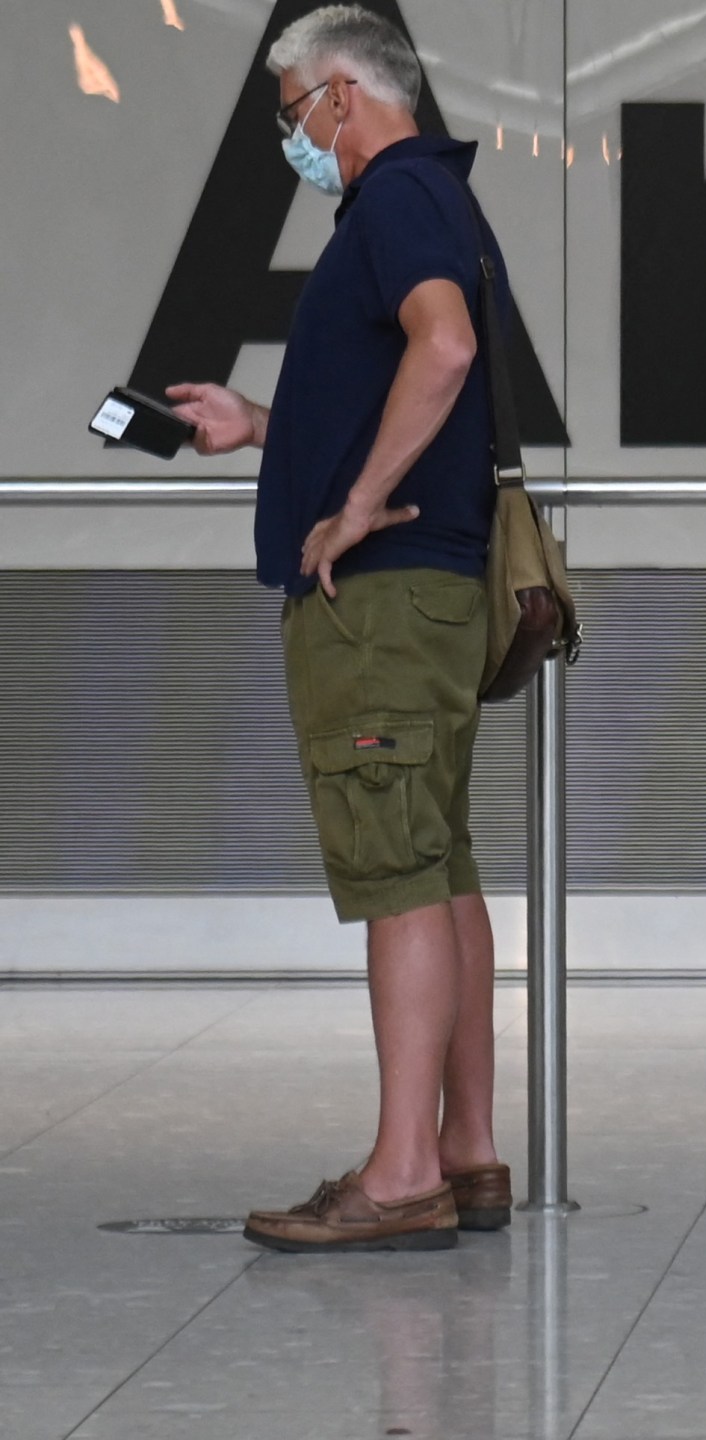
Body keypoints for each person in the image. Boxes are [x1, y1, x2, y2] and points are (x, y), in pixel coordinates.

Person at [165, 6, 512, 1251]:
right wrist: (262, 428)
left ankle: (402, 1170)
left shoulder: (401, 196)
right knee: (439, 862)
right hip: (426, 596)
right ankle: (464, 1151)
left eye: (294, 110)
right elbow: (399, 368)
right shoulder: (422, 203)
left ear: (345, 99)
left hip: (384, 601)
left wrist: (357, 504)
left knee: (398, 874)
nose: (291, 134)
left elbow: (447, 345)